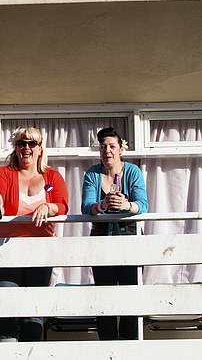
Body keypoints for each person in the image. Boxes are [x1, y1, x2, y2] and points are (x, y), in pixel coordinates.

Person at [0, 127, 69, 342]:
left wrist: (47, 207)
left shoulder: (52, 175)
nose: (26, 148)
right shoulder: (3, 173)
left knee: (33, 312)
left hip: (40, 252)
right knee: (6, 310)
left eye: (32, 144)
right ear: (15, 148)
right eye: (21, 143)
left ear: (40, 149)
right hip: (6, 251)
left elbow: (62, 205)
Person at [81, 127, 148, 340]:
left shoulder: (133, 171)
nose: (107, 151)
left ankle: (129, 346)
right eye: (102, 147)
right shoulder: (92, 173)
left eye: (111, 146)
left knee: (130, 296)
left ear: (121, 149)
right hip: (101, 242)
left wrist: (127, 205)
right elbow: (86, 206)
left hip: (130, 241)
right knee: (104, 297)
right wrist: (102, 204)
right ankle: (108, 346)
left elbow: (143, 205)